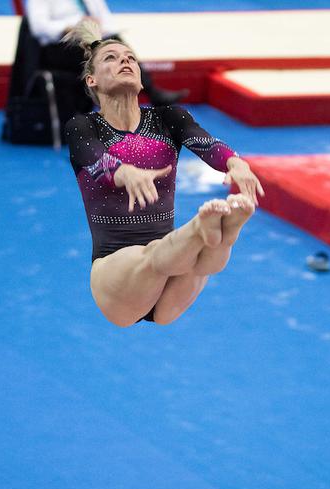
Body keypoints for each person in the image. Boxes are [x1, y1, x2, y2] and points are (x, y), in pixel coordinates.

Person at [63, 21, 265, 327]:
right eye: (112, 58)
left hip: (174, 270)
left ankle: (223, 230)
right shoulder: (83, 126)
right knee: (160, 256)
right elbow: (93, 159)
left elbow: (206, 142)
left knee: (200, 261)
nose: (125, 62)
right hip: (115, 271)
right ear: (92, 80)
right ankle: (206, 228)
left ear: (142, 80)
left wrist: (235, 163)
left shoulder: (168, 118)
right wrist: (124, 172)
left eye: (130, 58)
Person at [25, 0, 186, 109]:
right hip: (61, 45)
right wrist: (72, 27)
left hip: (91, 39)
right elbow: (38, 26)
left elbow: (106, 20)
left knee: (118, 46)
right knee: (108, 53)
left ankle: (145, 92)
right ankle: (141, 96)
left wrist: (100, 30)